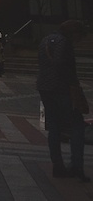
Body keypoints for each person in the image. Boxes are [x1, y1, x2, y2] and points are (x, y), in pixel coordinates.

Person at [37, 20, 89, 181]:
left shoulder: (45, 40)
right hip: (62, 89)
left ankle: (58, 166)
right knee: (77, 126)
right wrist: (75, 89)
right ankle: (77, 166)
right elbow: (66, 68)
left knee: (54, 128)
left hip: (45, 87)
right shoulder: (65, 43)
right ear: (74, 33)